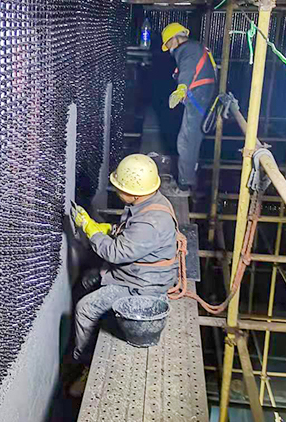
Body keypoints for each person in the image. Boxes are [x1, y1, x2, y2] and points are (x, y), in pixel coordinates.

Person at [67, 154, 179, 396]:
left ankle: (83, 363)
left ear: (134, 193)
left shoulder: (151, 223)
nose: (116, 190)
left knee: (85, 308)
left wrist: (90, 230)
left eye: (120, 187)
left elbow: (115, 253)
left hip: (143, 287)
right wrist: (109, 229)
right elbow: (130, 234)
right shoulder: (149, 203)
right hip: (139, 273)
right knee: (89, 278)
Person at [161, 22, 218, 196]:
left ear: (175, 38)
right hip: (204, 95)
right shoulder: (196, 46)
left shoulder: (186, 49)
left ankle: (184, 186)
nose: (169, 49)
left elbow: (187, 70)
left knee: (186, 141)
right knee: (192, 140)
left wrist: (181, 89)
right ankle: (189, 177)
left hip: (198, 96)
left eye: (168, 44)